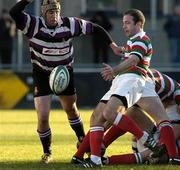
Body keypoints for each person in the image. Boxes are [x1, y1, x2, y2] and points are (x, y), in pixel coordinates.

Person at [9, 0, 121, 164]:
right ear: (43, 13)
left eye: (56, 12)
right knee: (43, 116)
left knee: (71, 109)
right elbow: (13, 13)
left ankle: (82, 138)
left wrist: (112, 45)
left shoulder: (70, 24)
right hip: (42, 73)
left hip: (64, 73)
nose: (54, 16)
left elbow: (95, 28)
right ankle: (47, 152)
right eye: (50, 12)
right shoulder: (32, 24)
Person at [71, 9, 180, 167]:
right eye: (123, 23)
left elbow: (134, 60)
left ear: (139, 24)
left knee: (111, 114)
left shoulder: (142, 39)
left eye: (127, 23)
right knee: (99, 117)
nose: (124, 26)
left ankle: (102, 155)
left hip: (135, 80)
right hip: (139, 81)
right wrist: (119, 49)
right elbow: (132, 55)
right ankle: (85, 155)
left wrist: (114, 70)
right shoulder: (134, 41)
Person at [100, 68, 180, 165]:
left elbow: (168, 138)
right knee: (131, 113)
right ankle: (101, 150)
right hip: (155, 145)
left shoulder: (173, 98)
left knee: (131, 113)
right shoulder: (170, 96)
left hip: (159, 148)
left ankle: (104, 158)